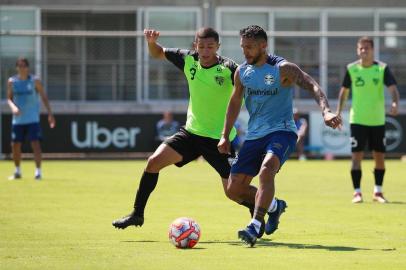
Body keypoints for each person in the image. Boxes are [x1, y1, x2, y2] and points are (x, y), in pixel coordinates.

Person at [113, 27, 264, 235]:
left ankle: (265, 208)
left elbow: (248, 90)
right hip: (191, 133)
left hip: (219, 140)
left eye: (210, 46)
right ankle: (137, 213)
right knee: (153, 162)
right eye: (201, 46)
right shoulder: (188, 60)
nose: (205, 50)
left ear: (217, 47)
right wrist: (151, 42)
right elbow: (158, 52)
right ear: (195, 46)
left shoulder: (229, 68)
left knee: (234, 192)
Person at [218, 25, 342, 247]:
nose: (245, 51)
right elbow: (235, 101)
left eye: (250, 47)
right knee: (233, 190)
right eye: (243, 47)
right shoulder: (242, 72)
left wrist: (325, 110)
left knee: (267, 169)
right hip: (255, 136)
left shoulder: (283, 68)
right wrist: (225, 135)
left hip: (282, 130)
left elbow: (311, 84)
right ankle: (274, 206)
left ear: (263, 46)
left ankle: (255, 225)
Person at [336, 36, 400, 204]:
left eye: (367, 48)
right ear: (358, 50)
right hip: (357, 119)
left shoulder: (382, 69)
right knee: (356, 157)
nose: (364, 51)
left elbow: (393, 88)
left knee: (379, 157)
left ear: (372, 50)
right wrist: (338, 112)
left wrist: (395, 102)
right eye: (361, 48)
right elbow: (344, 92)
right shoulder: (351, 69)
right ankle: (357, 193)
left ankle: (377, 192)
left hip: (377, 120)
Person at [7, 57, 55, 180]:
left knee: (35, 144)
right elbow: (9, 98)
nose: (21, 68)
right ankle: (17, 171)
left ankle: (38, 172)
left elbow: (44, 97)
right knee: (15, 145)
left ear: (28, 67)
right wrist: (13, 108)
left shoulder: (35, 81)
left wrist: (50, 114)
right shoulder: (12, 82)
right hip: (18, 120)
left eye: (24, 66)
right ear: (17, 67)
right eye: (19, 66)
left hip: (33, 119)